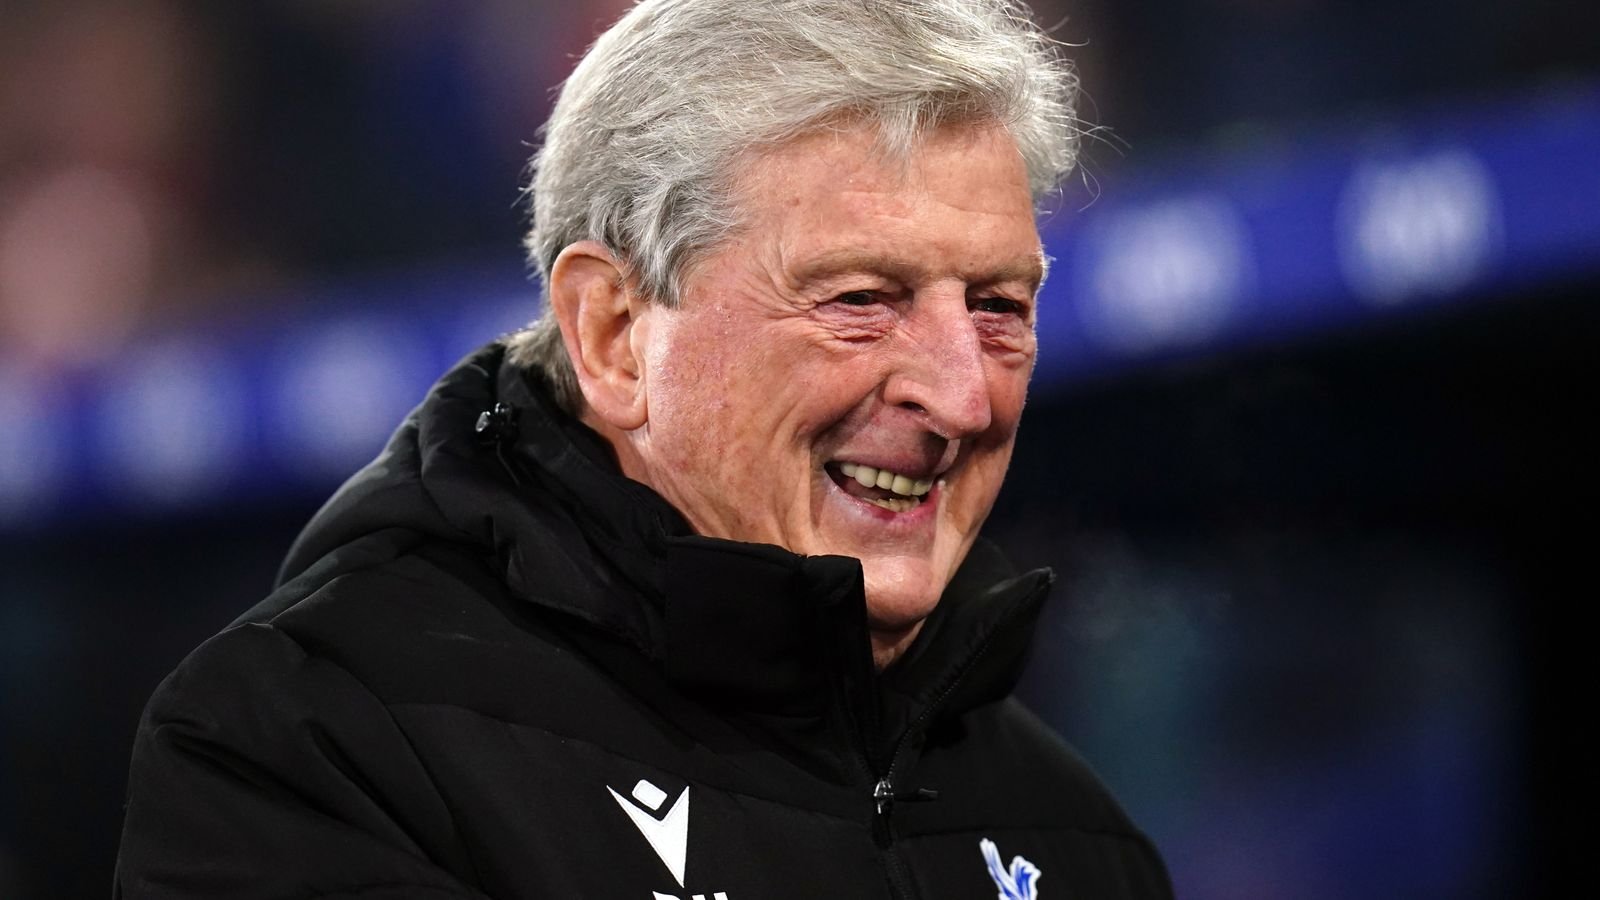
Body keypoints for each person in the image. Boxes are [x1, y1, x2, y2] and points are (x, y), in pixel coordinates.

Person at [115, 1, 1172, 897]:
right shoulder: (310, 746)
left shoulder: (1076, 841)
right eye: (860, 300)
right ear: (615, 333)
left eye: (998, 307)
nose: (960, 395)